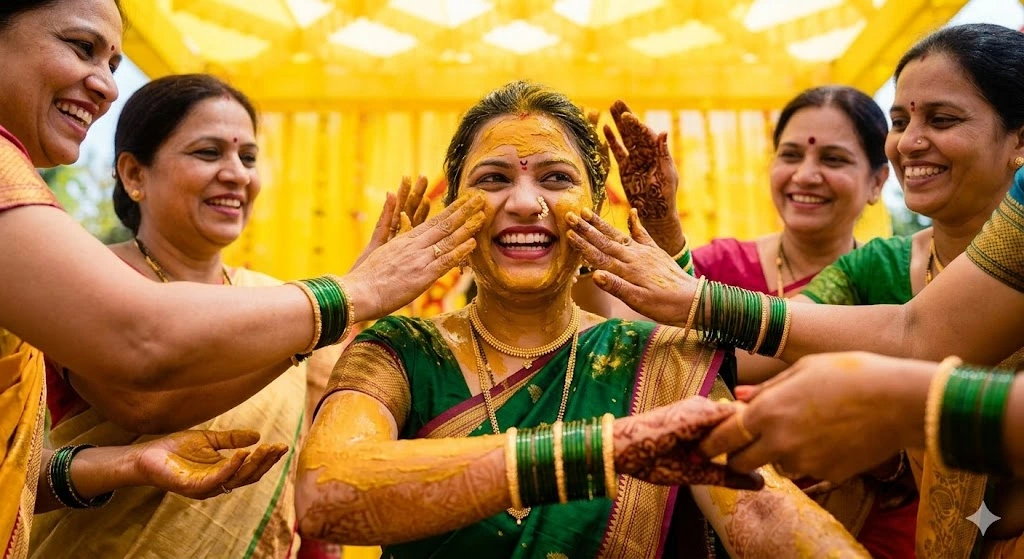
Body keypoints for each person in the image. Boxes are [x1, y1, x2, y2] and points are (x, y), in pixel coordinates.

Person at [293, 80, 869, 558]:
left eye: (556, 178)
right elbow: (325, 496)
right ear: (453, 215)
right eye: (493, 179)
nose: (523, 203)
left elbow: (762, 512)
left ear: (596, 212)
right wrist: (604, 451)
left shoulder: (657, 362)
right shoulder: (402, 349)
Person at [0, 0, 482, 555]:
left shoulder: (271, 300)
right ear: (134, 174)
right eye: (208, 152)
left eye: (249, 157)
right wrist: (351, 295)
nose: (107, 85)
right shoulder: (88, 272)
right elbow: (143, 376)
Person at [565, 23, 1024, 559]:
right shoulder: (870, 269)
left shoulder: (895, 276)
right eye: (900, 121)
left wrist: (889, 443)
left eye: (942, 120)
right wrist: (615, 241)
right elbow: (732, 356)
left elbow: (917, 333)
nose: (912, 140)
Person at [575, 88, 907, 555]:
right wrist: (659, 224)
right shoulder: (720, 264)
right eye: (790, 155)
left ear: (877, 182)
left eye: (833, 159)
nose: (806, 175)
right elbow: (640, 341)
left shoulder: (890, 281)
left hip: (878, 528)